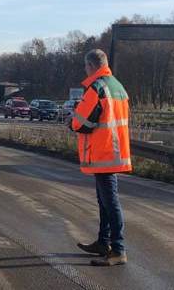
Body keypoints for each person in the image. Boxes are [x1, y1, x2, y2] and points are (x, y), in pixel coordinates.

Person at [70, 49, 132, 267]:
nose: (84, 70)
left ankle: (117, 249)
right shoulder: (118, 87)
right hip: (115, 152)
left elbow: (80, 122)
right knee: (105, 201)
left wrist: (72, 121)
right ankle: (103, 242)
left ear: (91, 66)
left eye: (85, 66)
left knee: (110, 202)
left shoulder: (96, 88)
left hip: (102, 152)